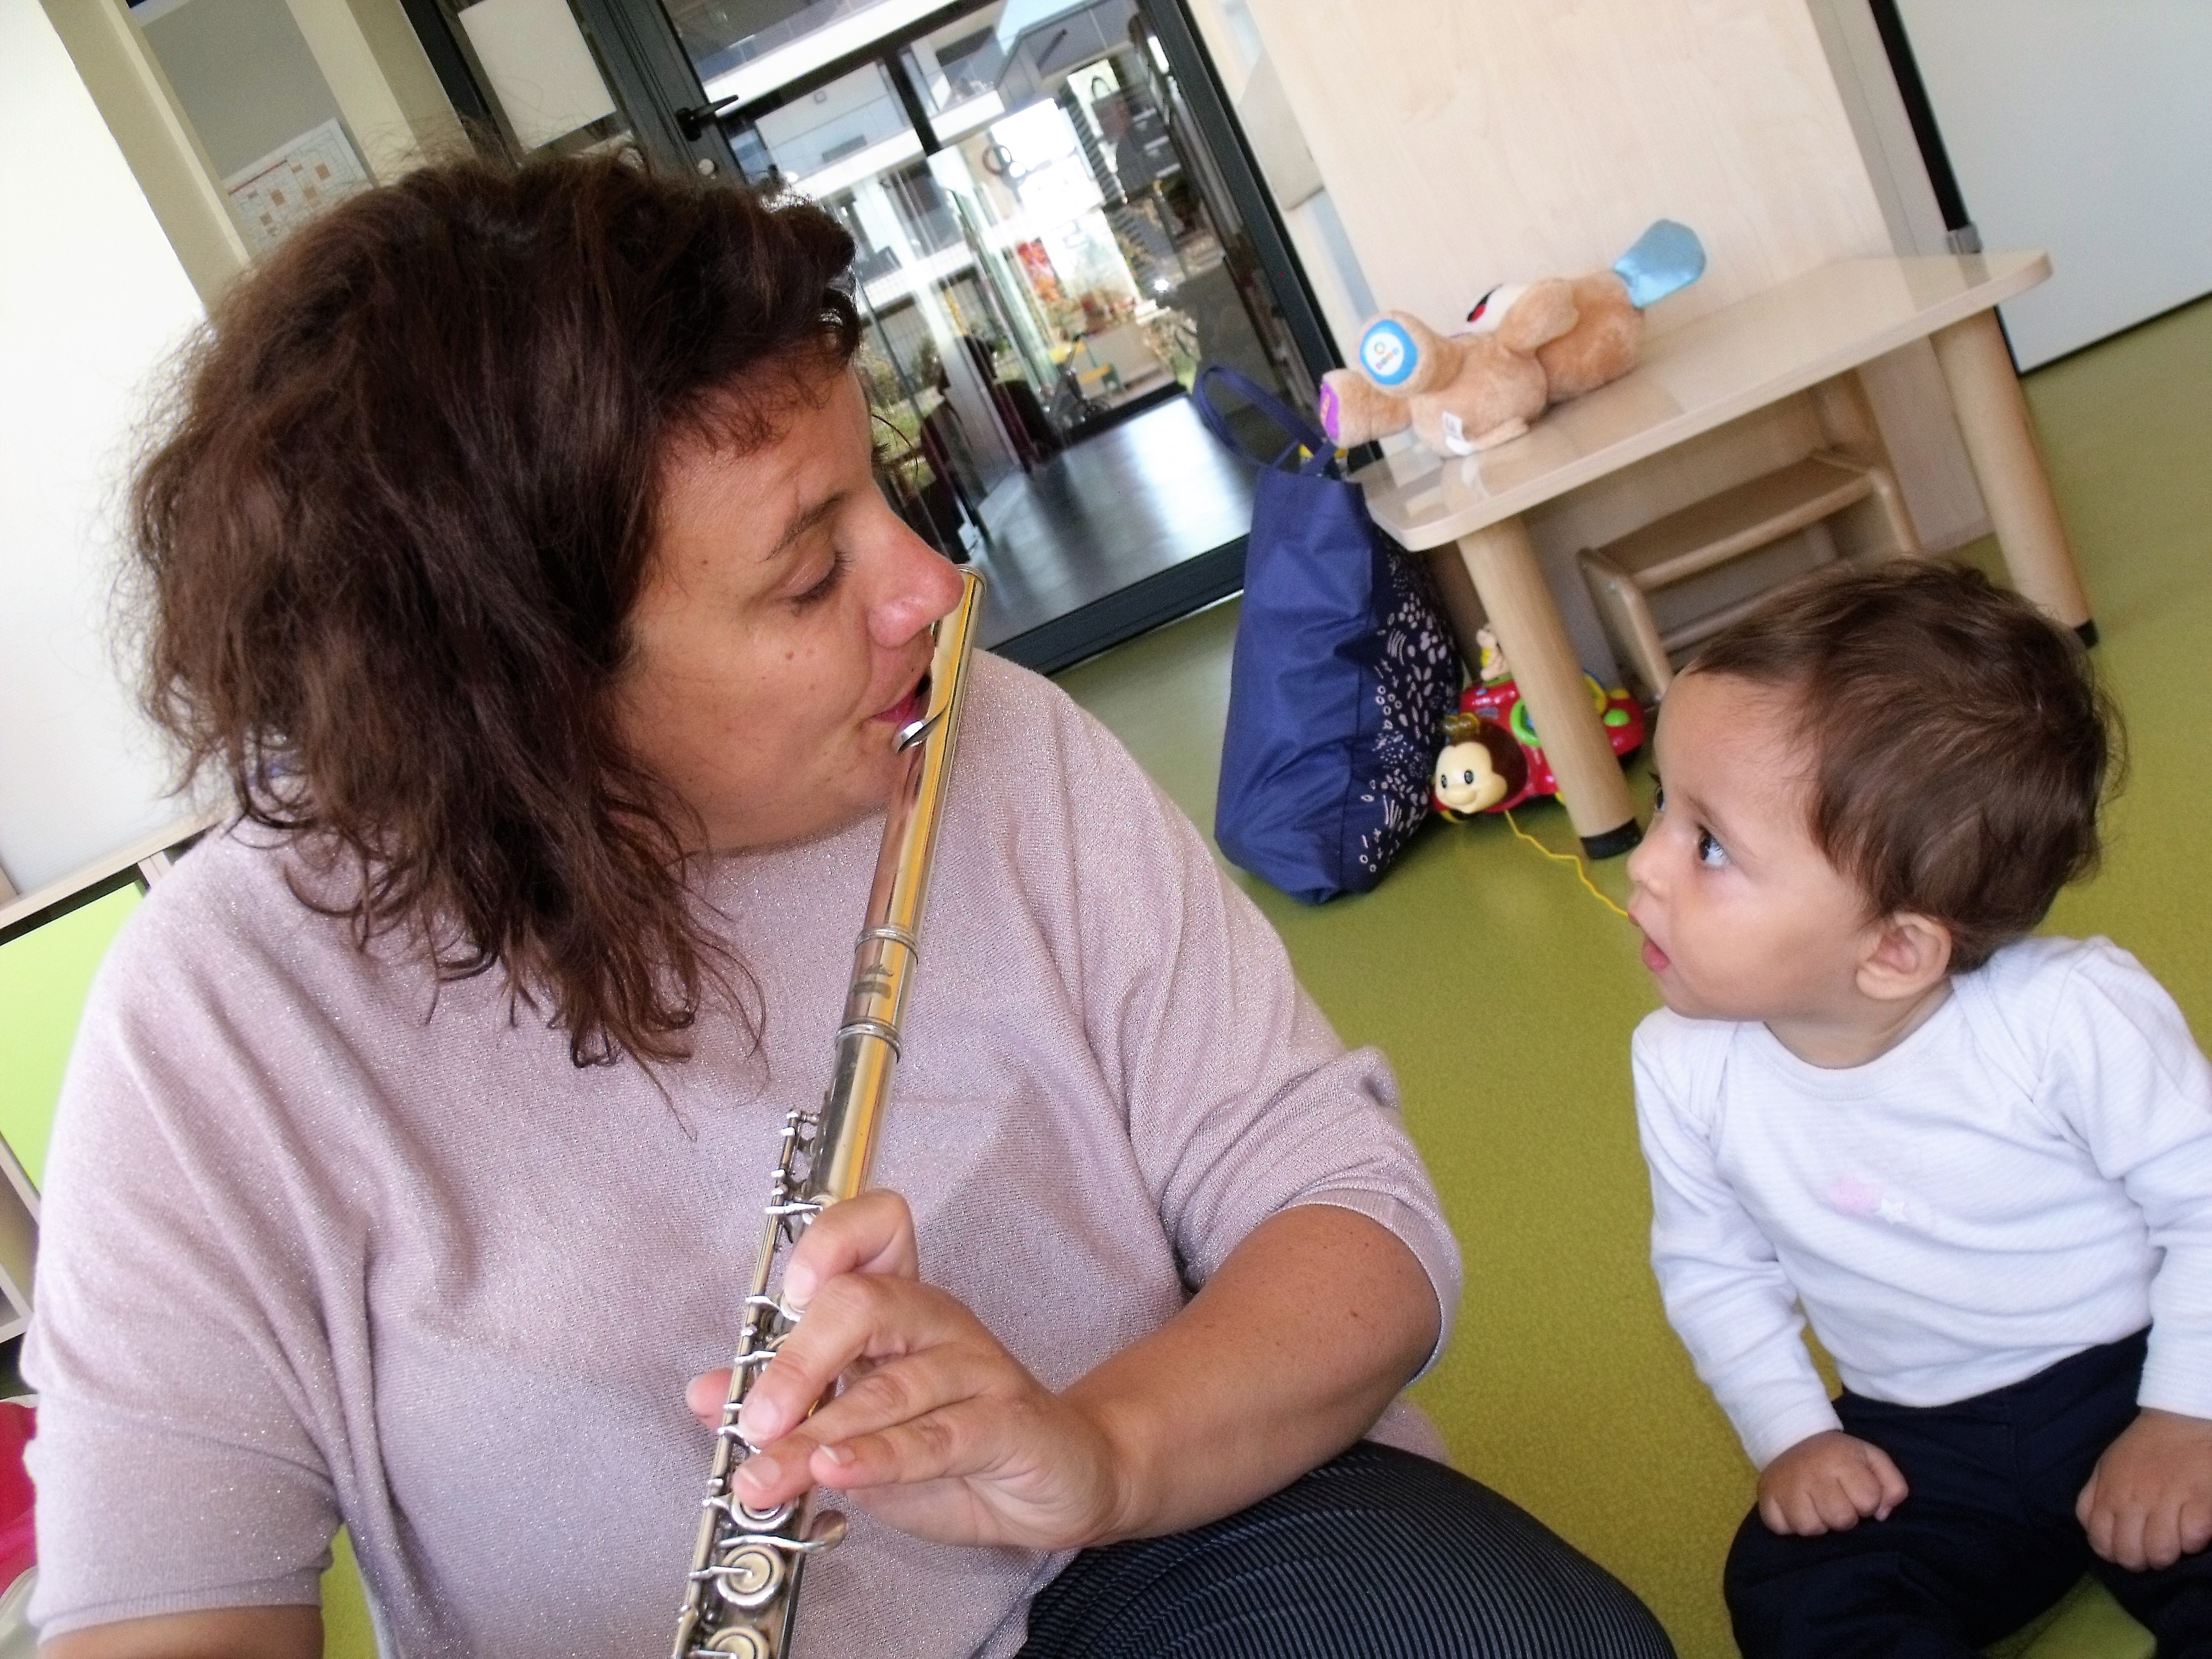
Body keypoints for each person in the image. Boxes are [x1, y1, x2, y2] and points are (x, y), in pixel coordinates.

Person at [25, 153, 1673, 1659]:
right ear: (514, 702)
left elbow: (1350, 1219)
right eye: (810, 573)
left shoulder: (986, 738)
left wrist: (1092, 1452)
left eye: (880, 489)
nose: (933, 590)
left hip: (1153, 1546)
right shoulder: (229, 1013)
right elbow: (162, 1613)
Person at [1626, 560, 2212, 1655]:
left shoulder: (2068, 1018)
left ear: (1894, 950)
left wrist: (2187, 1412)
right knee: (1789, 1587)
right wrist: (1794, 1435)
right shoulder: (1683, 1066)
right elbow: (1715, 1272)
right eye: (1666, 807)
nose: (1648, 868)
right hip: (1922, 1435)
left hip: (2143, 1367)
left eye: (1709, 846)